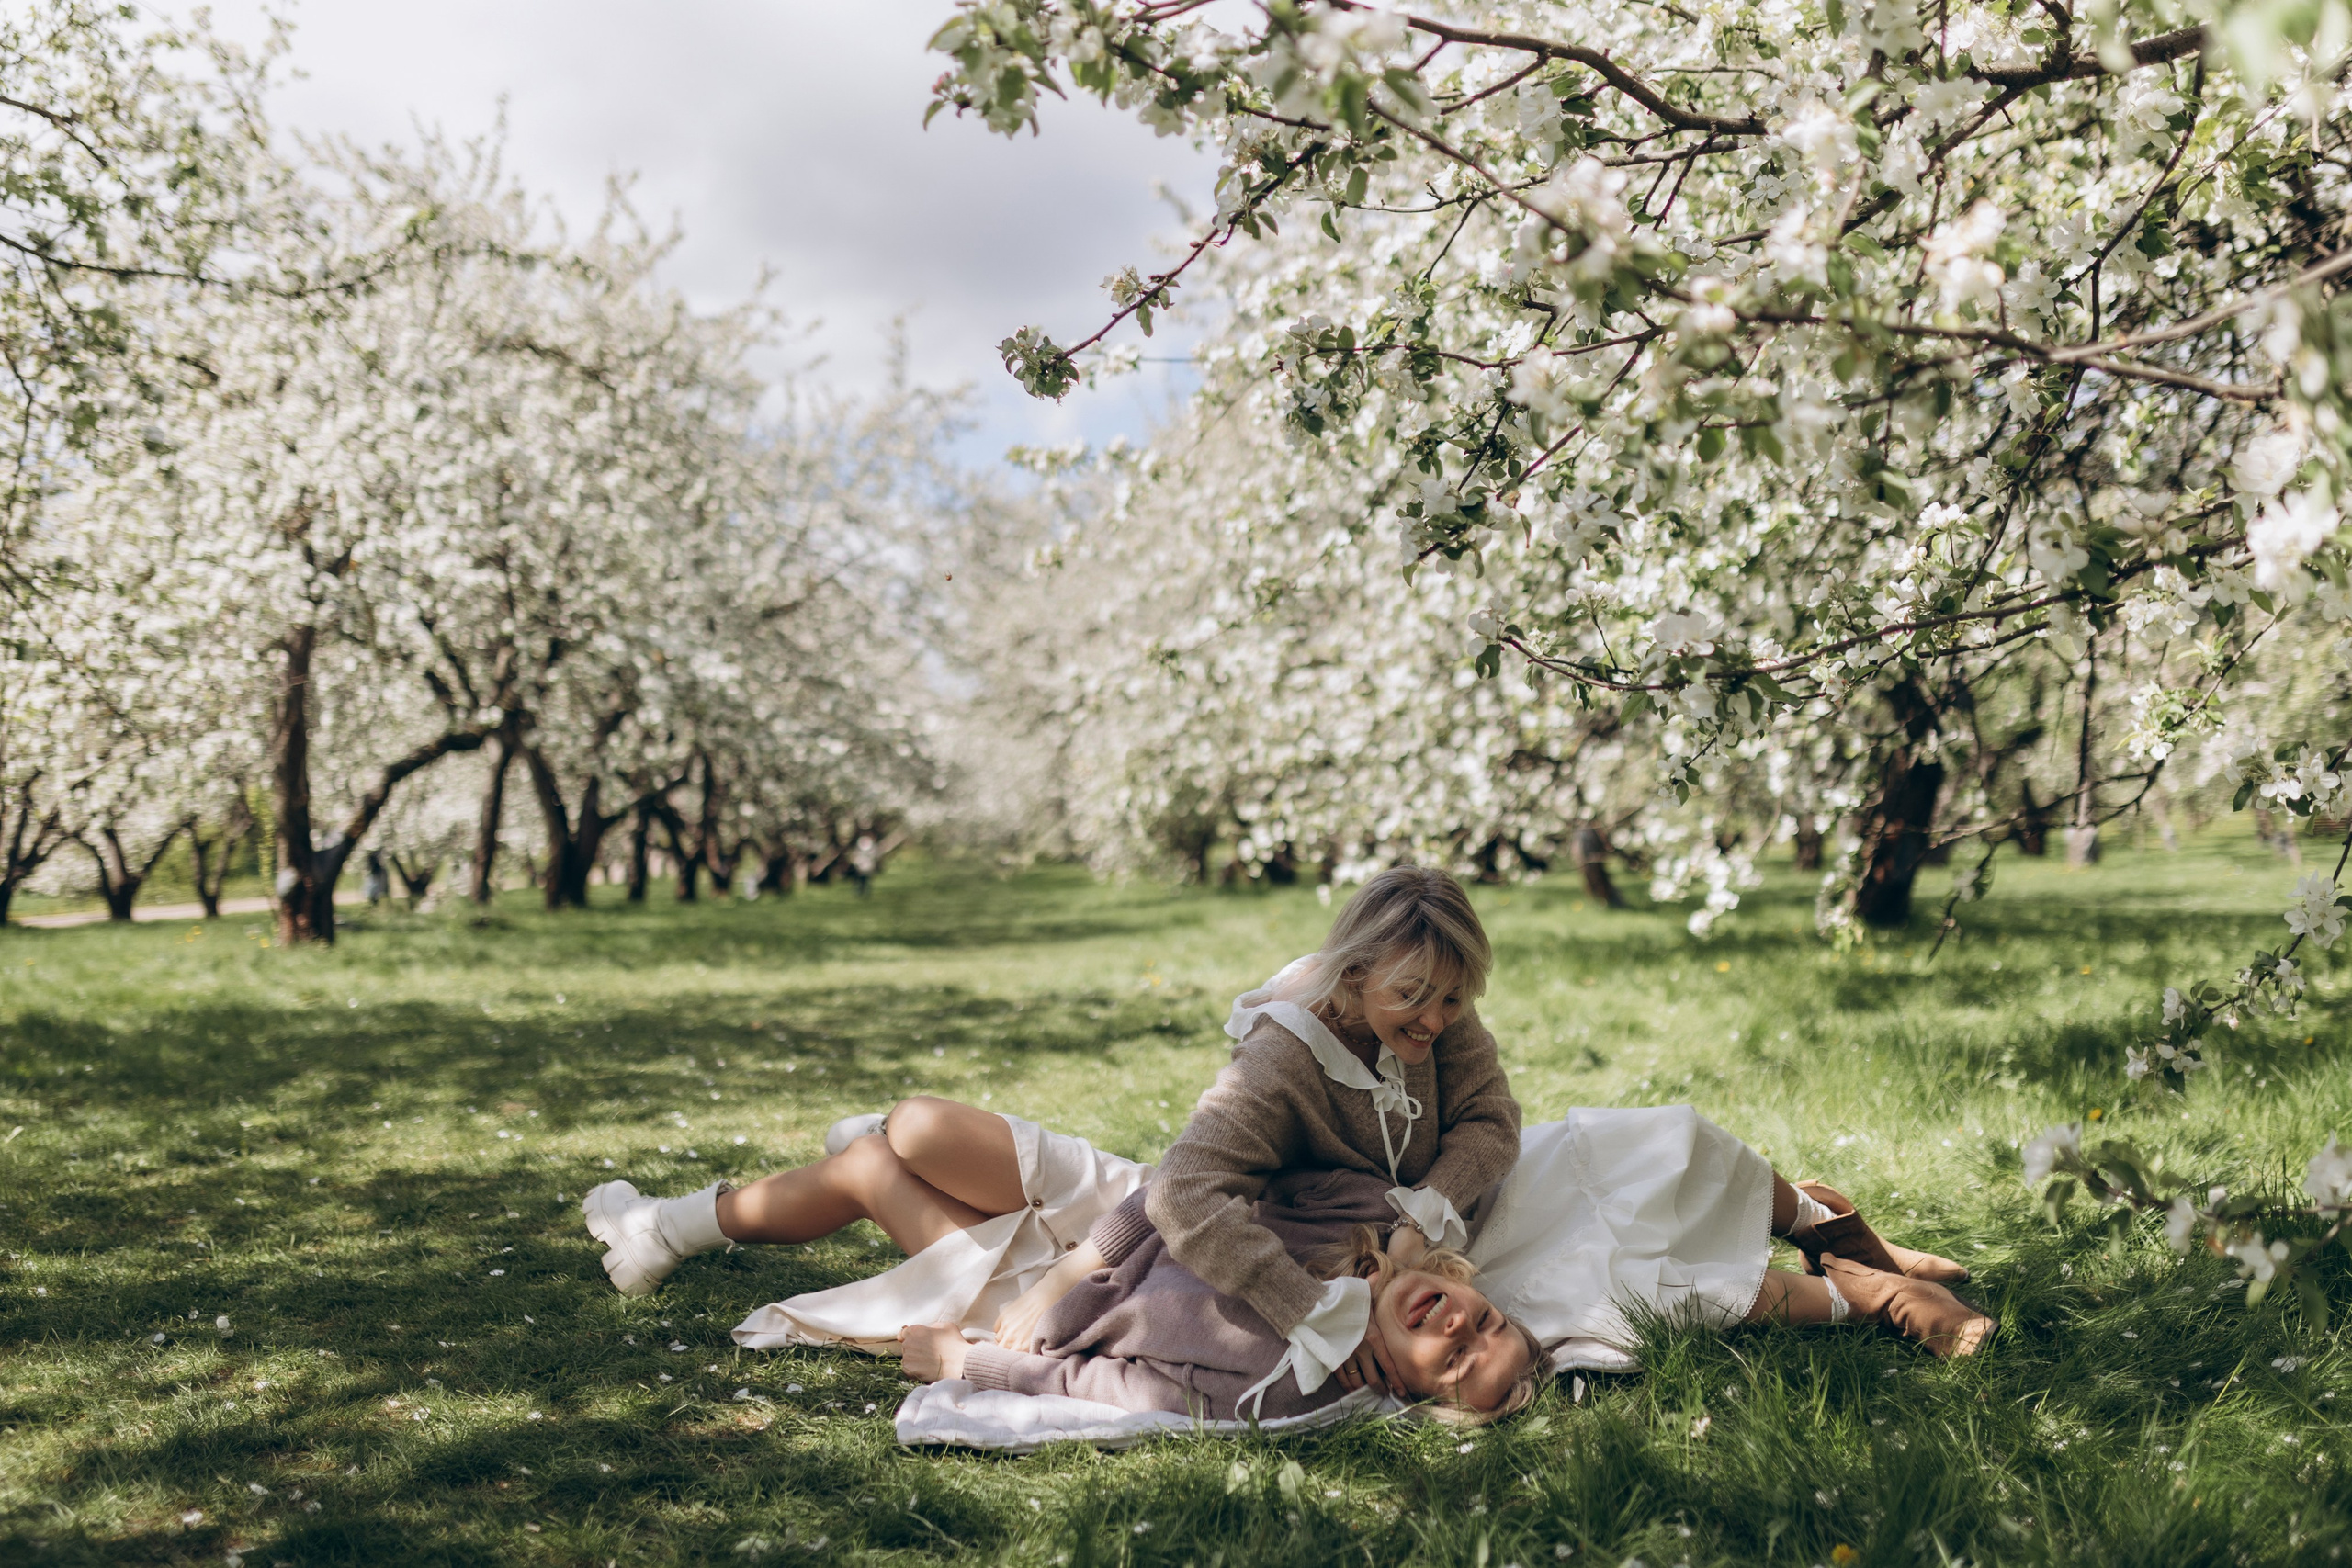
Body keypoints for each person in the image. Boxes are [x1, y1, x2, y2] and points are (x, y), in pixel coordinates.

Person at [898, 1169, 1544, 1424]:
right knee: (921, 1130)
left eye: (1456, 1358)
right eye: (1485, 1318)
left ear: (1404, 1389)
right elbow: (1200, 1173)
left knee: (870, 1172)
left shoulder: (1281, 1381)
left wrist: (964, 1363)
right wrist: (1079, 1258)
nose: (1459, 1325)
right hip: (1109, 1218)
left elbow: (1100, 1387)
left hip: (1037, 1310)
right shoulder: (1367, 1210)